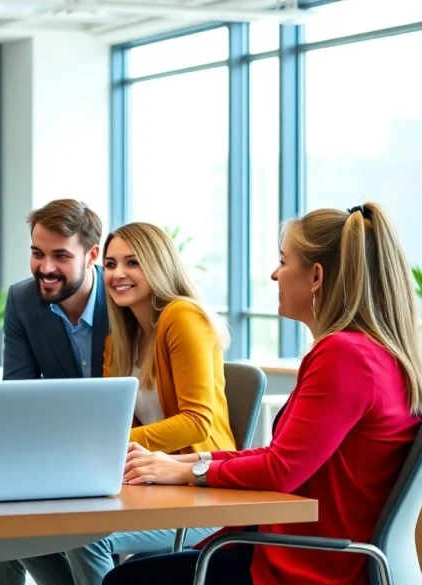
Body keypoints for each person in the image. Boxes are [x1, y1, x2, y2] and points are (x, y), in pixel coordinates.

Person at [104, 203, 422, 585]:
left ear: (316, 276)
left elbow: (281, 470)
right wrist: (189, 463)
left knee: (125, 580)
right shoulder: (376, 352)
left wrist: (189, 469)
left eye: (283, 261)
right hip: (315, 552)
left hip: (310, 566)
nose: (274, 274)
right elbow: (283, 456)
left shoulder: (344, 355)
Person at [15, 221, 236, 585]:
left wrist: (115, 444)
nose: (118, 274)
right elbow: (112, 423)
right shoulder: (118, 342)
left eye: (133, 263)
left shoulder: (183, 317)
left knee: (83, 539)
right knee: (23, 533)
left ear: (159, 266)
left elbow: (198, 422)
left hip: (203, 493)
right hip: (148, 486)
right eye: (113, 264)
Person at [0, 198, 111, 585]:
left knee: (64, 530)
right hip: (63, 456)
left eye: (60, 255)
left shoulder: (122, 299)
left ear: (92, 254)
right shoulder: (24, 300)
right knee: (8, 518)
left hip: (125, 451)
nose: (46, 267)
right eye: (38, 253)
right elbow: (19, 397)